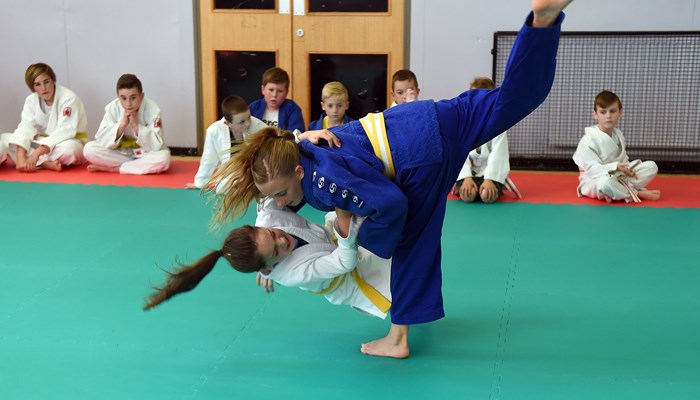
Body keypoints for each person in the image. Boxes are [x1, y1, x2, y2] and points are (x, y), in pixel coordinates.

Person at [210, 0, 572, 359]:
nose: (283, 204)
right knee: (511, 99)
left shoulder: (321, 183)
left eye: (283, 193)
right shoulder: (297, 150)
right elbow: (275, 194)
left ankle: (399, 339)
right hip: (422, 117)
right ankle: (541, 25)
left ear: (298, 173)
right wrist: (300, 137)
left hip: (421, 155)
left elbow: (390, 203)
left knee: (410, 244)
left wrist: (360, 235)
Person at [144, 197, 392, 321]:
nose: (282, 240)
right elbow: (344, 263)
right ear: (269, 266)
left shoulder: (267, 217)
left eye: (273, 235)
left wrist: (301, 138)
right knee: (397, 286)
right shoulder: (292, 274)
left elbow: (270, 173)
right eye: (276, 251)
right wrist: (345, 223)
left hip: (332, 239)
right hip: (347, 279)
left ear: (259, 226)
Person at [573, 90, 660, 203]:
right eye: (603, 112)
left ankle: (618, 192)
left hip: (619, 175)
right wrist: (615, 166)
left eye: (612, 111)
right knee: (605, 184)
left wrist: (627, 169)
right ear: (595, 114)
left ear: (620, 112)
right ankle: (637, 193)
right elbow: (591, 170)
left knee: (651, 167)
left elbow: (623, 159)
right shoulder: (589, 139)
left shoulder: (618, 134)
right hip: (595, 179)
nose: (608, 116)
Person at [0, 63, 87, 172]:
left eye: (46, 82)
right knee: (5, 139)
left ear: (53, 80)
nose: (44, 88)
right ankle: (45, 163)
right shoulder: (31, 100)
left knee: (70, 150)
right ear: (32, 87)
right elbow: (25, 128)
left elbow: (65, 131)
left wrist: (36, 154)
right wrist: (21, 157)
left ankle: (36, 161)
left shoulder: (69, 98)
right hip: (40, 141)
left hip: (67, 141)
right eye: (37, 84)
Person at [83, 74, 170, 175]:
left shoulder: (153, 109)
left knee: (164, 158)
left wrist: (137, 126)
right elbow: (102, 139)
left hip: (145, 153)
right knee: (89, 149)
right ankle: (137, 166)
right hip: (121, 153)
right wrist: (121, 125)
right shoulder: (113, 108)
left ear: (141, 96)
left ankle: (117, 168)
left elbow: (156, 145)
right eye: (123, 98)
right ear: (118, 97)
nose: (128, 103)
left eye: (133, 98)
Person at [451, 77, 517, 203]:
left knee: (487, 196)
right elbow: (460, 152)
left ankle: (489, 184)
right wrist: (466, 177)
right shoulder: (464, 124)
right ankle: (468, 182)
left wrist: (489, 179)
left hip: (489, 174)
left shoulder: (499, 125)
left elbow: (499, 154)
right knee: (468, 195)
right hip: (469, 173)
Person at [186, 95, 267, 190]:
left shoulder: (260, 127)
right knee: (222, 187)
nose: (248, 123)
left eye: (248, 117)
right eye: (242, 122)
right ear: (227, 123)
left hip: (256, 171)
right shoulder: (214, 131)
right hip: (232, 174)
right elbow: (208, 159)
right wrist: (199, 183)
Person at [248, 67, 305, 132]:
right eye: (271, 90)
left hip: (283, 142)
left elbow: (296, 135)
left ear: (286, 92)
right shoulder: (253, 108)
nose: (274, 95)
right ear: (263, 90)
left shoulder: (292, 109)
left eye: (280, 91)